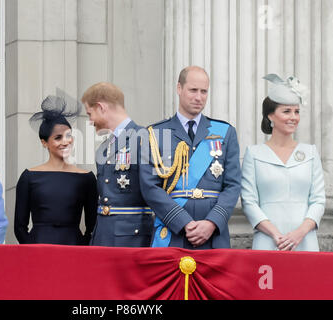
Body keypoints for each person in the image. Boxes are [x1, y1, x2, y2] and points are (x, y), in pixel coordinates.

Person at [139, 66, 241, 249]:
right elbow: (150, 186)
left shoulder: (225, 132)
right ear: (179, 88)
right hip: (173, 232)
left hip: (213, 236)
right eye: (193, 90)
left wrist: (212, 223)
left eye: (204, 91)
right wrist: (183, 222)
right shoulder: (156, 134)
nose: (199, 97)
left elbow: (233, 185)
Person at [241, 74, 325, 251]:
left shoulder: (310, 153)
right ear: (270, 116)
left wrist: (299, 233)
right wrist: (275, 235)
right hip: (268, 240)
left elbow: (318, 200)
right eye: (286, 111)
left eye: (296, 111)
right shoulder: (254, 154)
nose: (293, 117)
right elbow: (249, 201)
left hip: (305, 241)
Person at [14, 96, 97, 245]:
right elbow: (20, 227)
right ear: (44, 142)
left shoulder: (86, 178)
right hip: (38, 250)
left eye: (69, 136)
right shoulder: (29, 177)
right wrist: (32, 249)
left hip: (74, 249)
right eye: (58, 138)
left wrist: (82, 248)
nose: (65, 142)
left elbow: (93, 226)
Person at [82, 82, 154, 247]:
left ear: (101, 107)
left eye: (89, 113)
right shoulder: (105, 147)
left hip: (131, 238)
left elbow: (153, 190)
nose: (90, 121)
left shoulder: (143, 138)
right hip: (104, 235)